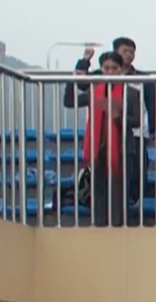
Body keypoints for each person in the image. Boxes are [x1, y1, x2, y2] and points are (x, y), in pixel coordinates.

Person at [63, 49, 149, 226]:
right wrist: (74, 78)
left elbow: (137, 120)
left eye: (114, 68)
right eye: (106, 68)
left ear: (120, 70)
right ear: (101, 69)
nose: (110, 72)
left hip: (122, 150)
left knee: (119, 194)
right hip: (98, 150)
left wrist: (118, 116)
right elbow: (69, 102)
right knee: (98, 193)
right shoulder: (95, 91)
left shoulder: (130, 93)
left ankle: (118, 227)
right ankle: (100, 227)